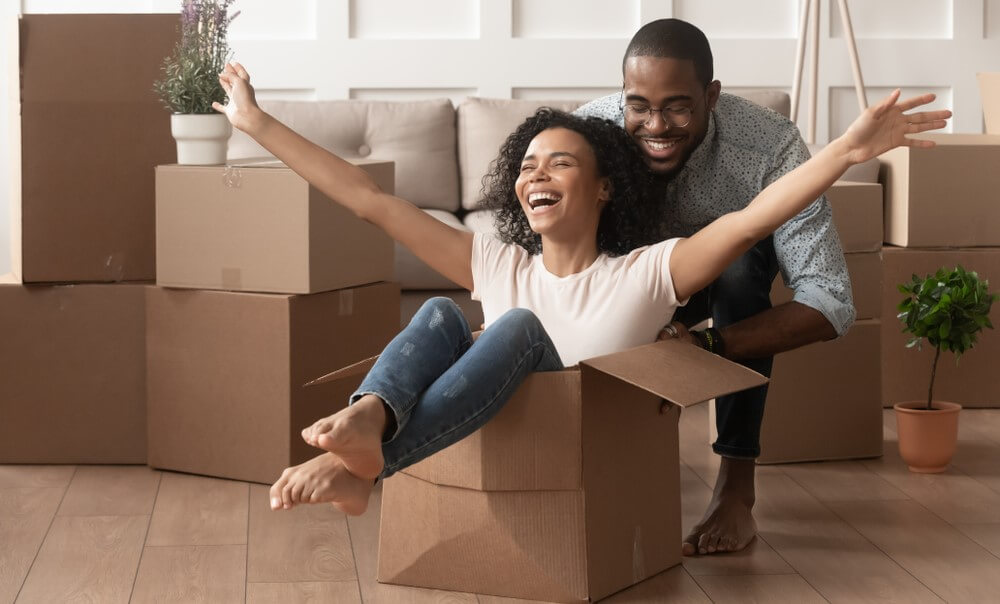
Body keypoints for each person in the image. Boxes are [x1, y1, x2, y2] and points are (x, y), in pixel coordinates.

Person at [212, 62, 948, 528]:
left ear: (603, 188)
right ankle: (369, 422)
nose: (537, 175)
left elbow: (756, 217)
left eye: (559, 163)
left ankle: (363, 467)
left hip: (580, 445)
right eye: (528, 164)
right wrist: (257, 123)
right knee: (441, 312)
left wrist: (847, 151)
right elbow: (368, 199)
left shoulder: (646, 273)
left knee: (516, 330)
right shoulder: (499, 263)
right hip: (499, 431)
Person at [574, 18, 862, 555]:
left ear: (712, 95)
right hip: (628, 275)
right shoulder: (592, 133)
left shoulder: (771, 145)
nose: (655, 126)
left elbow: (830, 302)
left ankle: (736, 486)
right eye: (639, 105)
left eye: (678, 106)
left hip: (725, 283)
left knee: (736, 277)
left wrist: (704, 347)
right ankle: (605, 466)